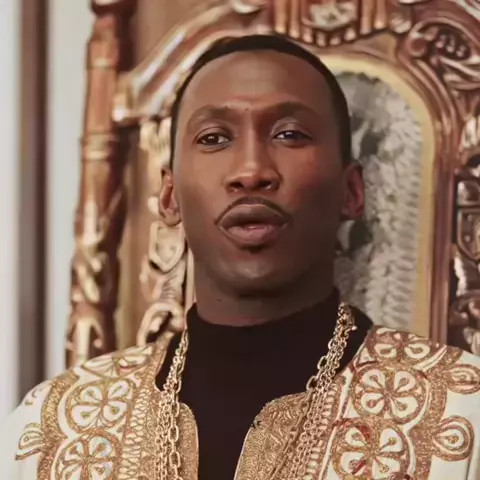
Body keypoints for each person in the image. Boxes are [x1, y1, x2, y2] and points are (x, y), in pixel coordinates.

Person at [2, 34, 480, 480]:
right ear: (168, 196)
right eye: (214, 138)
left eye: (290, 134)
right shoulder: (51, 430)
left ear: (352, 191)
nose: (251, 172)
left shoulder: (461, 410)